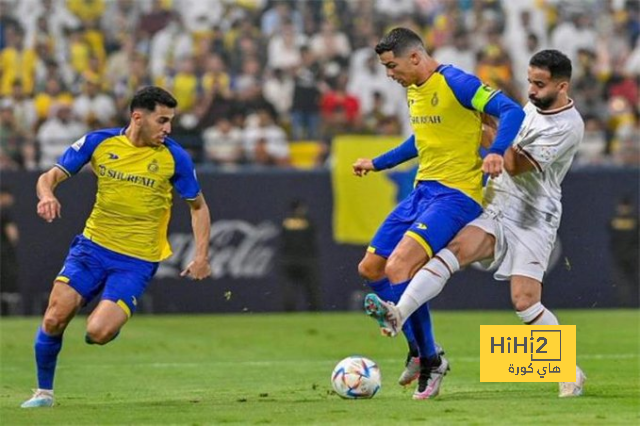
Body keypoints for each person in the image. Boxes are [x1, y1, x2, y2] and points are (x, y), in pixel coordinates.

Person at [365, 50, 587, 398]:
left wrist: (480, 129)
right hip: (497, 203)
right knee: (451, 253)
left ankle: (567, 368)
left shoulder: (568, 127)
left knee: (525, 302)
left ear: (562, 85)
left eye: (539, 84)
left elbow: (514, 164)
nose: (530, 90)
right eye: (529, 81)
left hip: (533, 217)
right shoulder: (531, 107)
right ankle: (399, 314)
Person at [353, 27, 525, 400]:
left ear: (415, 57)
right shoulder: (414, 91)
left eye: (392, 66)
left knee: (400, 267)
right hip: (423, 190)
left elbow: (510, 109)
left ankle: (431, 361)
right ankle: (417, 349)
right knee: (371, 269)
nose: (389, 75)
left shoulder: (458, 82)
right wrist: (377, 163)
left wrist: (495, 150)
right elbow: (421, 140)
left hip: (457, 195)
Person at [21, 86, 212, 408]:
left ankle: (108, 326)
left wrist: (202, 256)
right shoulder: (99, 142)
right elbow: (49, 176)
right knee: (54, 318)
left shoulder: (174, 156)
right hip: (91, 249)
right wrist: (47, 195)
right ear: (138, 117)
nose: (168, 129)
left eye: (170, 121)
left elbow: (198, 207)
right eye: (162, 120)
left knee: (97, 332)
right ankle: (43, 394)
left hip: (136, 261)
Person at [279, 199, 321, 312]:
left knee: (290, 288)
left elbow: (282, 241)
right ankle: (314, 311)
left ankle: (289, 311)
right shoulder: (308, 222)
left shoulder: (285, 223)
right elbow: (313, 240)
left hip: (289, 260)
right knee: (311, 289)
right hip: (306, 260)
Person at [609, 197, 639, 307]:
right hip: (620, 256)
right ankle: (624, 305)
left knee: (635, 281)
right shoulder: (614, 220)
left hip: (634, 256)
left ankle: (634, 305)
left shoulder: (635, 220)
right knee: (622, 282)